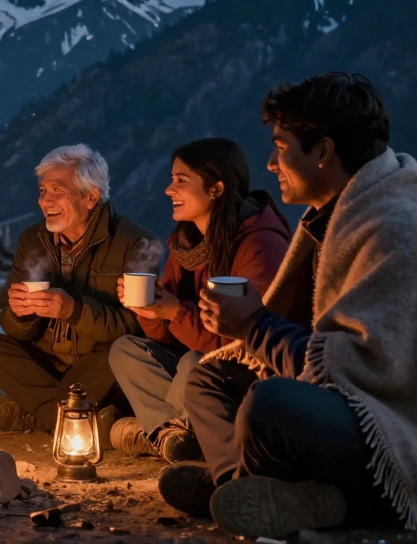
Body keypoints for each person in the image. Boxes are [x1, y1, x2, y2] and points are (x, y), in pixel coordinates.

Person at [159, 73, 417, 539]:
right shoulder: (339, 218)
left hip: (411, 436)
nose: (271, 164)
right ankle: (248, 488)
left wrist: (253, 324)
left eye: (281, 148)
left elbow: (358, 374)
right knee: (209, 378)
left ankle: (273, 491)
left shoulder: (395, 229)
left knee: (270, 406)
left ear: (323, 151)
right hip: (359, 405)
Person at [107, 138, 292, 464]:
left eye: (181, 180)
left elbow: (248, 340)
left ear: (216, 189)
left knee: (196, 362)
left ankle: (160, 432)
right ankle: (175, 435)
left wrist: (176, 312)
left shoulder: (260, 244)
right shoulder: (186, 243)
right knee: (126, 350)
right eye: (172, 179)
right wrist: (152, 311)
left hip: (245, 376)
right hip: (193, 368)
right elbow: (166, 338)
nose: (169, 190)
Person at [0, 144, 161, 436]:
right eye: (42, 190)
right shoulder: (33, 239)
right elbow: (10, 324)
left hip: (99, 365)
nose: (45, 200)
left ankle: (39, 416)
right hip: (45, 364)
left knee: (123, 352)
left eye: (57, 190)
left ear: (90, 197)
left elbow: (138, 327)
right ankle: (78, 418)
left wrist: (74, 311)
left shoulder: (135, 243)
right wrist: (20, 315)